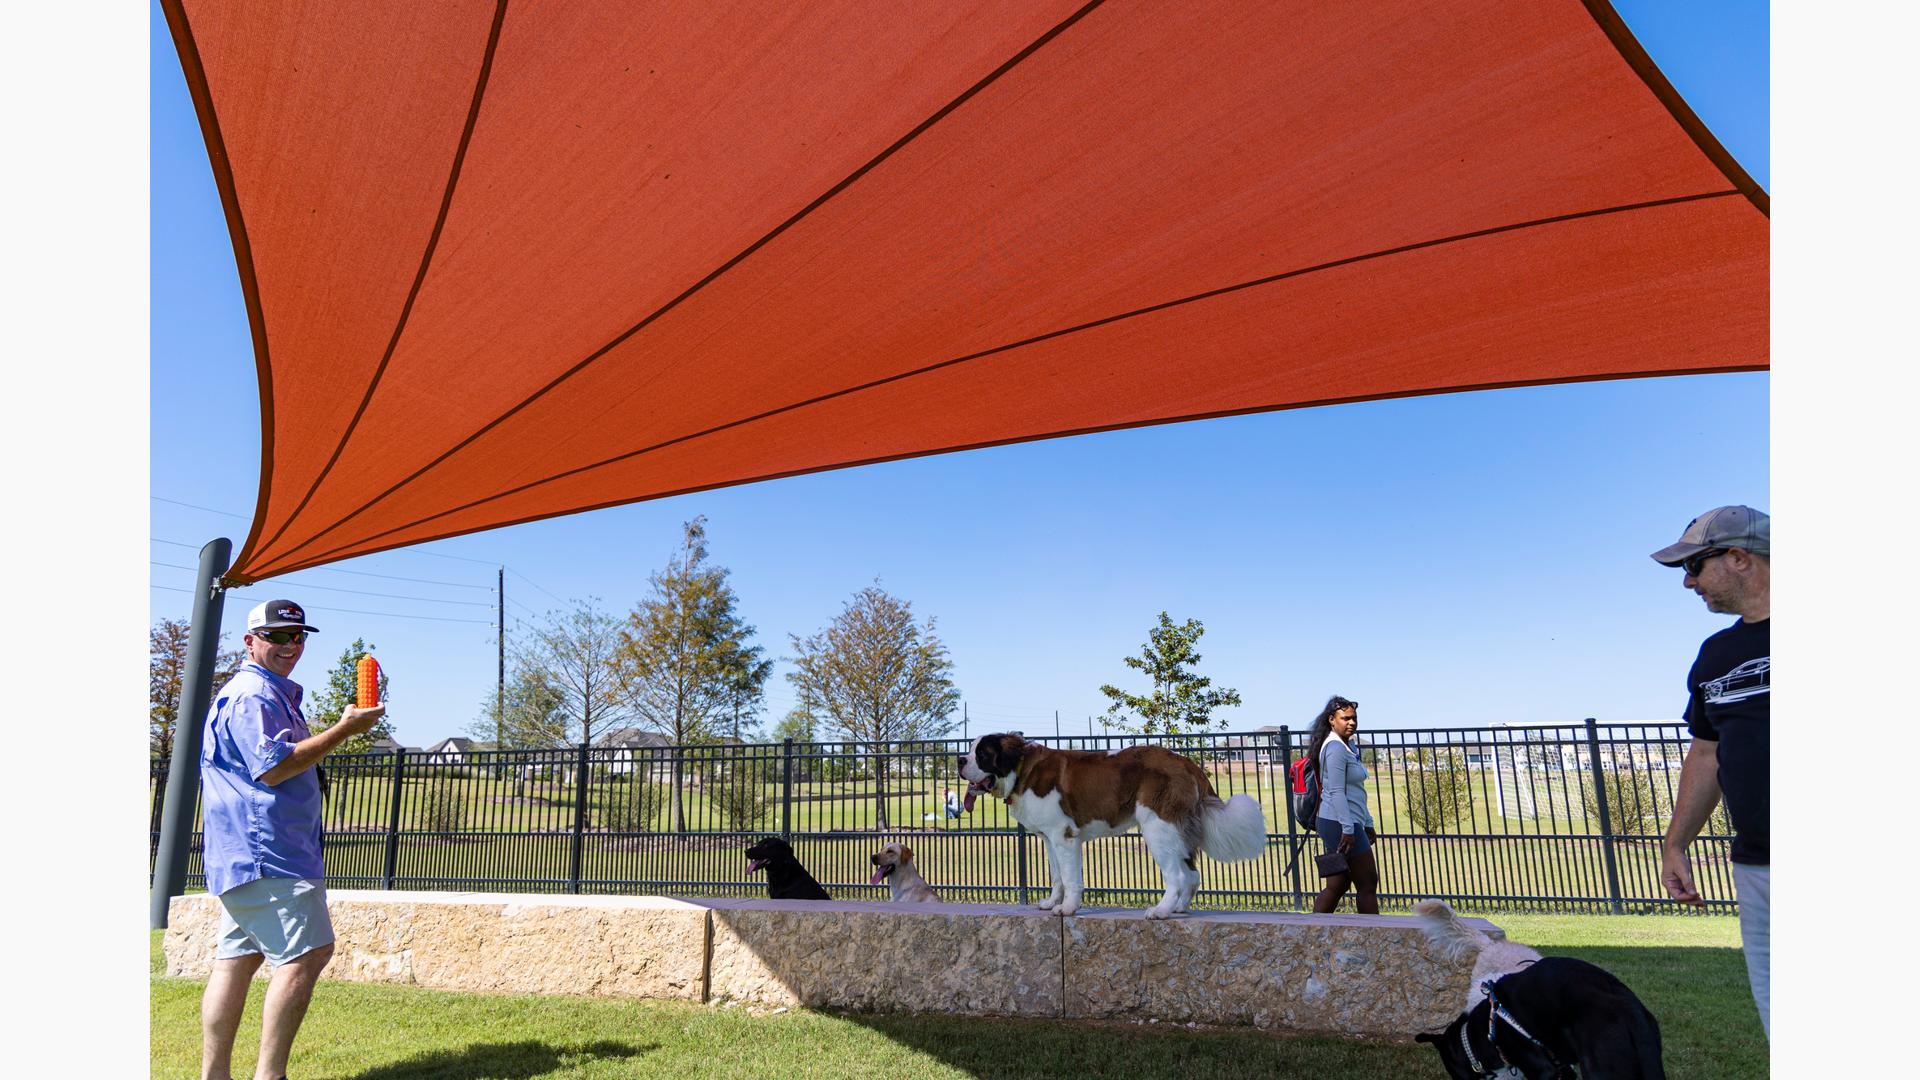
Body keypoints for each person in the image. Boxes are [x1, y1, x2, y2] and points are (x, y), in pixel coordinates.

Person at [198, 599, 386, 1080]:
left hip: (246, 854)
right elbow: (276, 767)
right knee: (307, 954)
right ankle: (271, 1076)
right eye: (277, 636)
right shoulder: (253, 697)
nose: (290, 645)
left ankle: (215, 1075)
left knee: (237, 959)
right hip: (269, 853)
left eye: (298, 636)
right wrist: (344, 729)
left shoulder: (265, 693)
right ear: (250, 641)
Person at [1651, 506, 1769, 1037]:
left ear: (1739, 557)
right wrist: (1676, 844)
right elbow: (1706, 754)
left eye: (1695, 566)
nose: (1688, 582)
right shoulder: (1715, 655)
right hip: (1759, 868)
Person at [1308, 695, 1379, 914]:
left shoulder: (1348, 746)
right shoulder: (1335, 748)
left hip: (1342, 821)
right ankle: (1374, 938)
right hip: (1339, 823)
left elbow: (1356, 793)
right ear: (1332, 719)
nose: (1352, 722)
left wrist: (1367, 822)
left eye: (1354, 718)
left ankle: (1314, 931)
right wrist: (1349, 830)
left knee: (1337, 885)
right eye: (1345, 718)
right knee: (1367, 883)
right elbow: (1337, 791)